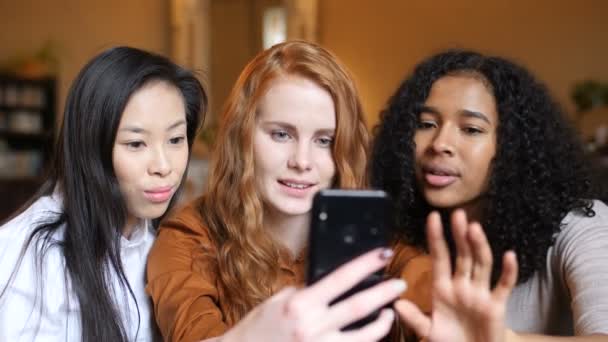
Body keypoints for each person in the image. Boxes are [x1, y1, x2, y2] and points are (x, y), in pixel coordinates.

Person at [146, 40, 410, 342]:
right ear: (243, 136)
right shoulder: (188, 238)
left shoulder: (377, 238)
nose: (302, 161)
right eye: (282, 134)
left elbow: (422, 283)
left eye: (324, 140)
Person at [371, 50, 608, 340]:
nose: (440, 143)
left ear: (512, 148)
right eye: (426, 124)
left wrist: (500, 339)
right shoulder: (404, 242)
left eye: (470, 129)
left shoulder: (581, 226)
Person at [0, 46, 207, 341]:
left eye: (175, 139)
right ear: (91, 147)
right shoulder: (29, 256)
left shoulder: (165, 242)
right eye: (136, 144)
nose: (163, 166)